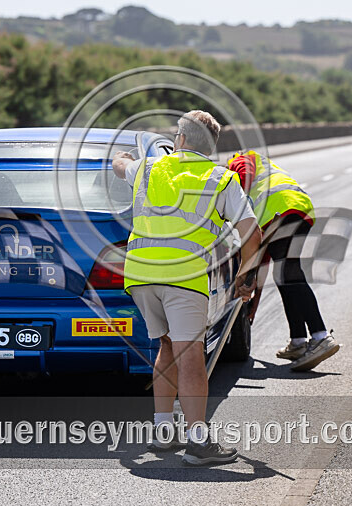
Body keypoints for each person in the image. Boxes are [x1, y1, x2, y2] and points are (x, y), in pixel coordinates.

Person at [112, 110, 262, 466]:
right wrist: (245, 275)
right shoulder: (220, 178)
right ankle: (198, 442)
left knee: (166, 347)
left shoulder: (149, 168)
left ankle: (163, 432)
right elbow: (251, 234)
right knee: (192, 354)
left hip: (141, 275)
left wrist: (124, 158)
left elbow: (120, 166)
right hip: (184, 277)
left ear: (179, 138)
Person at [227, 151, 340, 371]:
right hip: (295, 210)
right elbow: (261, 263)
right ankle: (298, 341)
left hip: (280, 212)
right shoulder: (263, 165)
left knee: (290, 273)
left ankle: (320, 335)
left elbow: (244, 179)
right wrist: (254, 302)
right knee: (284, 276)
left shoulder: (239, 161)